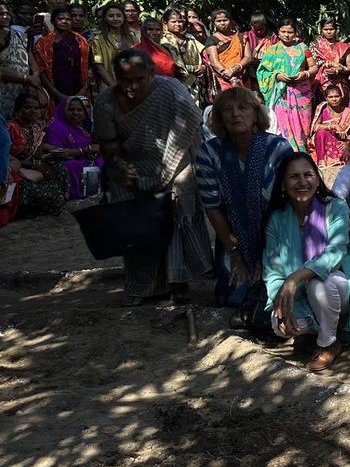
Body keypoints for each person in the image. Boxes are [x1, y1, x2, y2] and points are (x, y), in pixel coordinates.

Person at [93, 50, 210, 305]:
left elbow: (189, 124)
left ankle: (178, 282)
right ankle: (143, 285)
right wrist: (118, 165)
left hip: (175, 158)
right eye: (125, 81)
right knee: (137, 225)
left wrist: (167, 168)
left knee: (176, 215)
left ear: (152, 75)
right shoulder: (105, 102)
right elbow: (108, 145)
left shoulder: (171, 90)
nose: (132, 87)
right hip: (130, 166)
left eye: (139, 80)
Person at [264, 152, 350, 371]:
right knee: (278, 324)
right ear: (283, 185)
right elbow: (272, 269)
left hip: (342, 285)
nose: (302, 182)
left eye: (308, 175)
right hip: (302, 294)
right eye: (294, 177)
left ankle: (328, 343)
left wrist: (294, 278)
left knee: (319, 284)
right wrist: (280, 300)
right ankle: (322, 329)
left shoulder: (335, 207)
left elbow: (335, 252)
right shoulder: (277, 218)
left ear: (318, 180)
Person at [196, 86, 293, 304]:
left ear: (256, 114)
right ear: (220, 118)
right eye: (227, 109)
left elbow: (290, 203)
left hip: (278, 234)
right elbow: (212, 208)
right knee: (230, 297)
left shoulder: (278, 148)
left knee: (277, 294)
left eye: (242, 108)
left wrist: (269, 252)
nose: (235, 114)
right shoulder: (208, 154)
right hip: (233, 237)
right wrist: (233, 253)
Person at [6, 91, 68, 217]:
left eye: (36, 108)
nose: (33, 111)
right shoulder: (10, 128)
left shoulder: (35, 129)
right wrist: (34, 165)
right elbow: (4, 157)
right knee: (46, 194)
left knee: (60, 169)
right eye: (28, 107)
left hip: (30, 169)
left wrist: (44, 159)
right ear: (18, 110)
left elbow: (36, 154)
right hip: (12, 171)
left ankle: (51, 198)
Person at [256, 18, 315, 151]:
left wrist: (304, 74)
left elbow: (313, 67)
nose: (286, 35)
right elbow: (262, 71)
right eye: (283, 32)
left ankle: (302, 150)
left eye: (290, 32)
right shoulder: (272, 50)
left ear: (295, 33)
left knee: (303, 123)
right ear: (278, 32)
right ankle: (287, 150)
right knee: (283, 122)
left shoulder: (303, 48)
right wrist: (276, 76)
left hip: (301, 92)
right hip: (280, 93)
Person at [45, 95, 101, 199]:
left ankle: (96, 194)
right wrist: (87, 150)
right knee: (72, 165)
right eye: (71, 109)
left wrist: (90, 153)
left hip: (82, 159)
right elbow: (55, 152)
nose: (75, 113)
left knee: (101, 160)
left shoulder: (84, 128)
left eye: (79, 110)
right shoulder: (56, 127)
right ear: (64, 110)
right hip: (63, 162)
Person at [34, 8, 89, 103]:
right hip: (54, 91)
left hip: (78, 90)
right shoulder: (43, 44)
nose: (64, 21)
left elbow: (87, 66)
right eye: (60, 19)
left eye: (68, 19)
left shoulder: (81, 41)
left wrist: (83, 90)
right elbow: (41, 70)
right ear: (52, 21)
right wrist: (56, 93)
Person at [309, 83, 350, 180]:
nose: (334, 99)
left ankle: (337, 159)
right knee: (321, 133)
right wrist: (333, 126)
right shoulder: (322, 110)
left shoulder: (348, 112)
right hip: (324, 143)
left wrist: (347, 143)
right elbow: (315, 127)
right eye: (330, 97)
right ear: (326, 98)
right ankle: (321, 161)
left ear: (341, 97)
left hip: (341, 144)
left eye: (336, 96)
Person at [88, 3, 134, 91]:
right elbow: (99, 67)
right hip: (108, 88)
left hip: (131, 86)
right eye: (111, 16)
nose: (115, 19)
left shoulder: (132, 39)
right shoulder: (97, 40)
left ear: (123, 18)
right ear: (105, 18)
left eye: (119, 16)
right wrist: (115, 87)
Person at [204, 9, 251, 97]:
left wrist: (233, 69)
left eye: (225, 20)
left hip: (242, 76)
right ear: (214, 23)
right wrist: (228, 74)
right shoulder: (211, 40)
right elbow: (214, 62)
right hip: (224, 78)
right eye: (218, 21)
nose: (222, 23)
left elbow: (248, 57)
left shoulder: (241, 37)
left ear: (230, 21)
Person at [161, 9, 205, 100]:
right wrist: (192, 68)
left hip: (193, 83)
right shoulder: (163, 40)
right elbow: (172, 64)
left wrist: (202, 67)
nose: (177, 24)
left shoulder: (189, 39)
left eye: (180, 21)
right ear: (166, 23)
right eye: (174, 22)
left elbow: (201, 56)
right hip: (173, 82)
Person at [310, 17, 350, 94]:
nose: (329, 32)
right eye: (326, 29)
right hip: (320, 84)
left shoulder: (343, 46)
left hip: (340, 85)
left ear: (336, 30)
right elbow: (311, 65)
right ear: (321, 30)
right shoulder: (315, 46)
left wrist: (340, 69)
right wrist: (325, 66)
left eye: (331, 29)